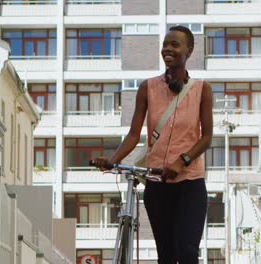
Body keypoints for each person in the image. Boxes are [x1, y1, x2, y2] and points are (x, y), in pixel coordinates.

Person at [91, 25, 213, 264]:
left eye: (175, 44)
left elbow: (207, 136)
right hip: (158, 183)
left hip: (191, 183)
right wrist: (112, 161)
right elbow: (134, 135)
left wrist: (182, 160)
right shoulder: (147, 88)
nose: (168, 49)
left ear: (189, 50)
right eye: (165, 44)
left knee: (188, 252)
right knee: (166, 256)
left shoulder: (202, 90)